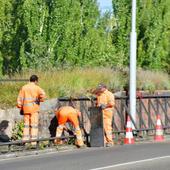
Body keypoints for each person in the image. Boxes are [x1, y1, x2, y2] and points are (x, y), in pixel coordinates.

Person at [17, 75, 46, 145]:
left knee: (26, 125)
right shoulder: (37, 88)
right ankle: (33, 142)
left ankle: (25, 141)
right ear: (36, 81)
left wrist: (20, 107)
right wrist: (39, 99)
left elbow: (19, 98)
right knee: (34, 125)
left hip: (26, 109)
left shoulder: (24, 87)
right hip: (34, 109)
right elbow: (43, 95)